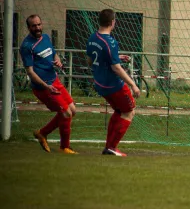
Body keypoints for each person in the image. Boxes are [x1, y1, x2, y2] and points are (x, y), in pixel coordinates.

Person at [86, 9, 140, 156]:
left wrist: (116, 56)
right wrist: (133, 85)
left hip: (100, 84)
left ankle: (109, 147)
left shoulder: (92, 38)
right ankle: (112, 147)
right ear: (112, 22)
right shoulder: (110, 41)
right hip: (113, 85)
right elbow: (116, 68)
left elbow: (90, 61)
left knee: (119, 111)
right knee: (129, 112)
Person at [20, 14, 77, 154]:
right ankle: (65, 147)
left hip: (54, 81)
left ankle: (42, 133)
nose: (37, 27)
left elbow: (54, 54)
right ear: (28, 28)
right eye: (34, 26)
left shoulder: (45, 37)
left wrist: (57, 61)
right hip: (43, 88)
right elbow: (30, 72)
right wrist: (46, 86)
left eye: (39, 24)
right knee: (66, 113)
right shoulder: (26, 46)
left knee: (72, 110)